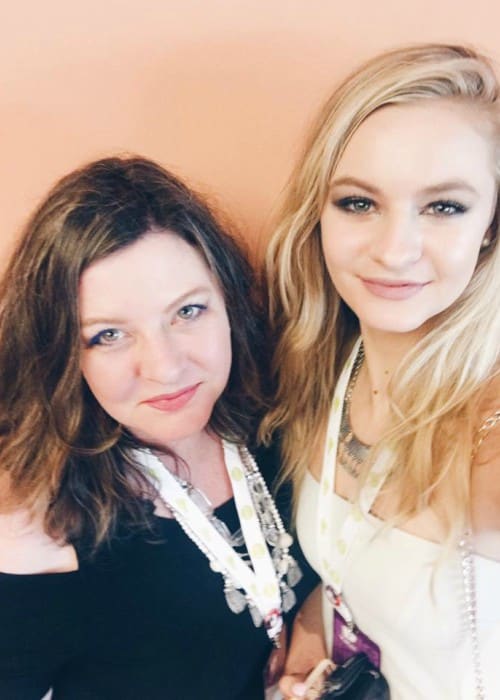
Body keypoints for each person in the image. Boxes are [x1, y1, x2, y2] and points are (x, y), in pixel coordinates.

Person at [0, 156, 316, 699]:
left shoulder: (281, 425)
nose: (166, 367)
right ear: (59, 352)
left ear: (229, 300)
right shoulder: (36, 529)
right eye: (107, 336)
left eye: (188, 312)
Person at [260, 44, 500, 699]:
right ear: (319, 211)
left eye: (444, 206)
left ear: (489, 225)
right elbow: (353, 560)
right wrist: (320, 625)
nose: (395, 251)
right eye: (359, 204)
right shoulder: (330, 362)